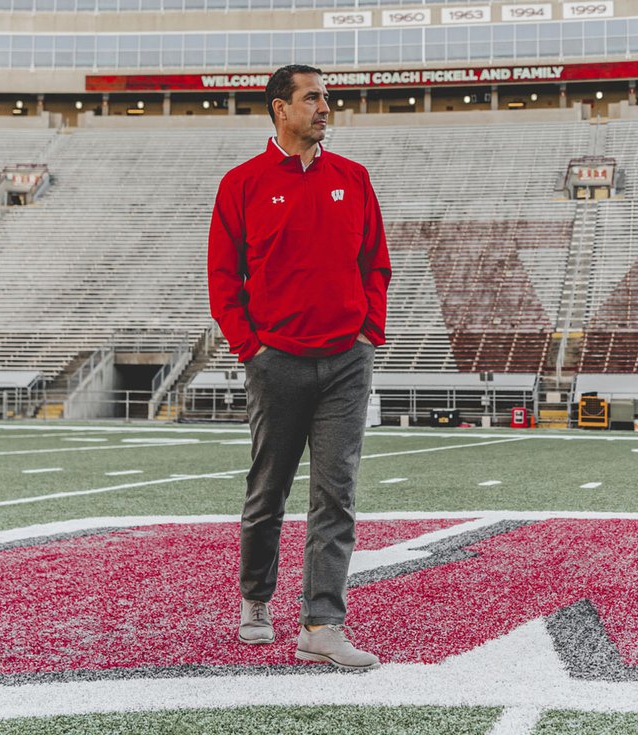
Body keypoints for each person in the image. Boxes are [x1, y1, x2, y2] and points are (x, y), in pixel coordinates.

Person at [207, 64, 391, 671]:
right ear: (279, 109)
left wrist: (368, 332)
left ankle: (322, 623)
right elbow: (222, 278)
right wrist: (249, 348)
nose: (324, 107)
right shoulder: (241, 183)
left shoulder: (354, 178)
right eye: (312, 98)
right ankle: (256, 598)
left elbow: (376, 264)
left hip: (345, 360)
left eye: (326, 97)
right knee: (268, 492)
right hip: (276, 360)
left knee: (335, 495)